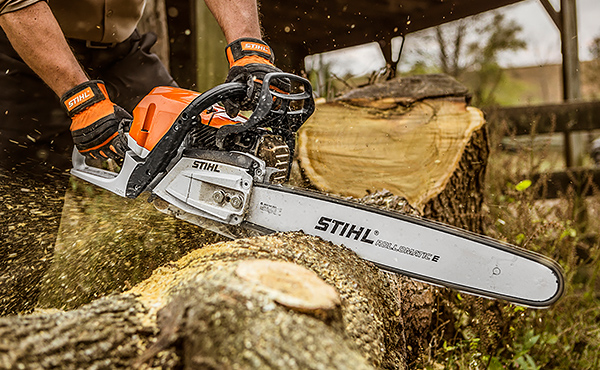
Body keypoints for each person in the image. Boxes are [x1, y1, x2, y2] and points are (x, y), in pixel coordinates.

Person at [0, 0, 287, 315]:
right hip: (25, 46)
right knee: (20, 205)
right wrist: (81, 99)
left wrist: (250, 49)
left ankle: (195, 304)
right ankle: (12, 319)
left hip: (120, 48)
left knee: (190, 144)